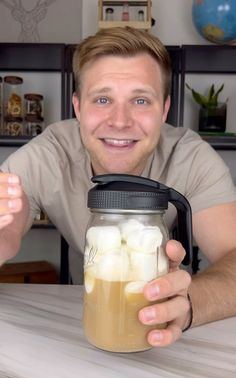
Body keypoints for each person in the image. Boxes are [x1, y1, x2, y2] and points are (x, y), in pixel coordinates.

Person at [0, 27, 236, 347]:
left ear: (164, 110)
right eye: (102, 99)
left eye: (140, 100)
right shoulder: (49, 154)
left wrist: (190, 302)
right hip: (84, 321)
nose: (120, 121)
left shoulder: (191, 157)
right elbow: (6, 224)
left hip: (167, 330)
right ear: (78, 107)